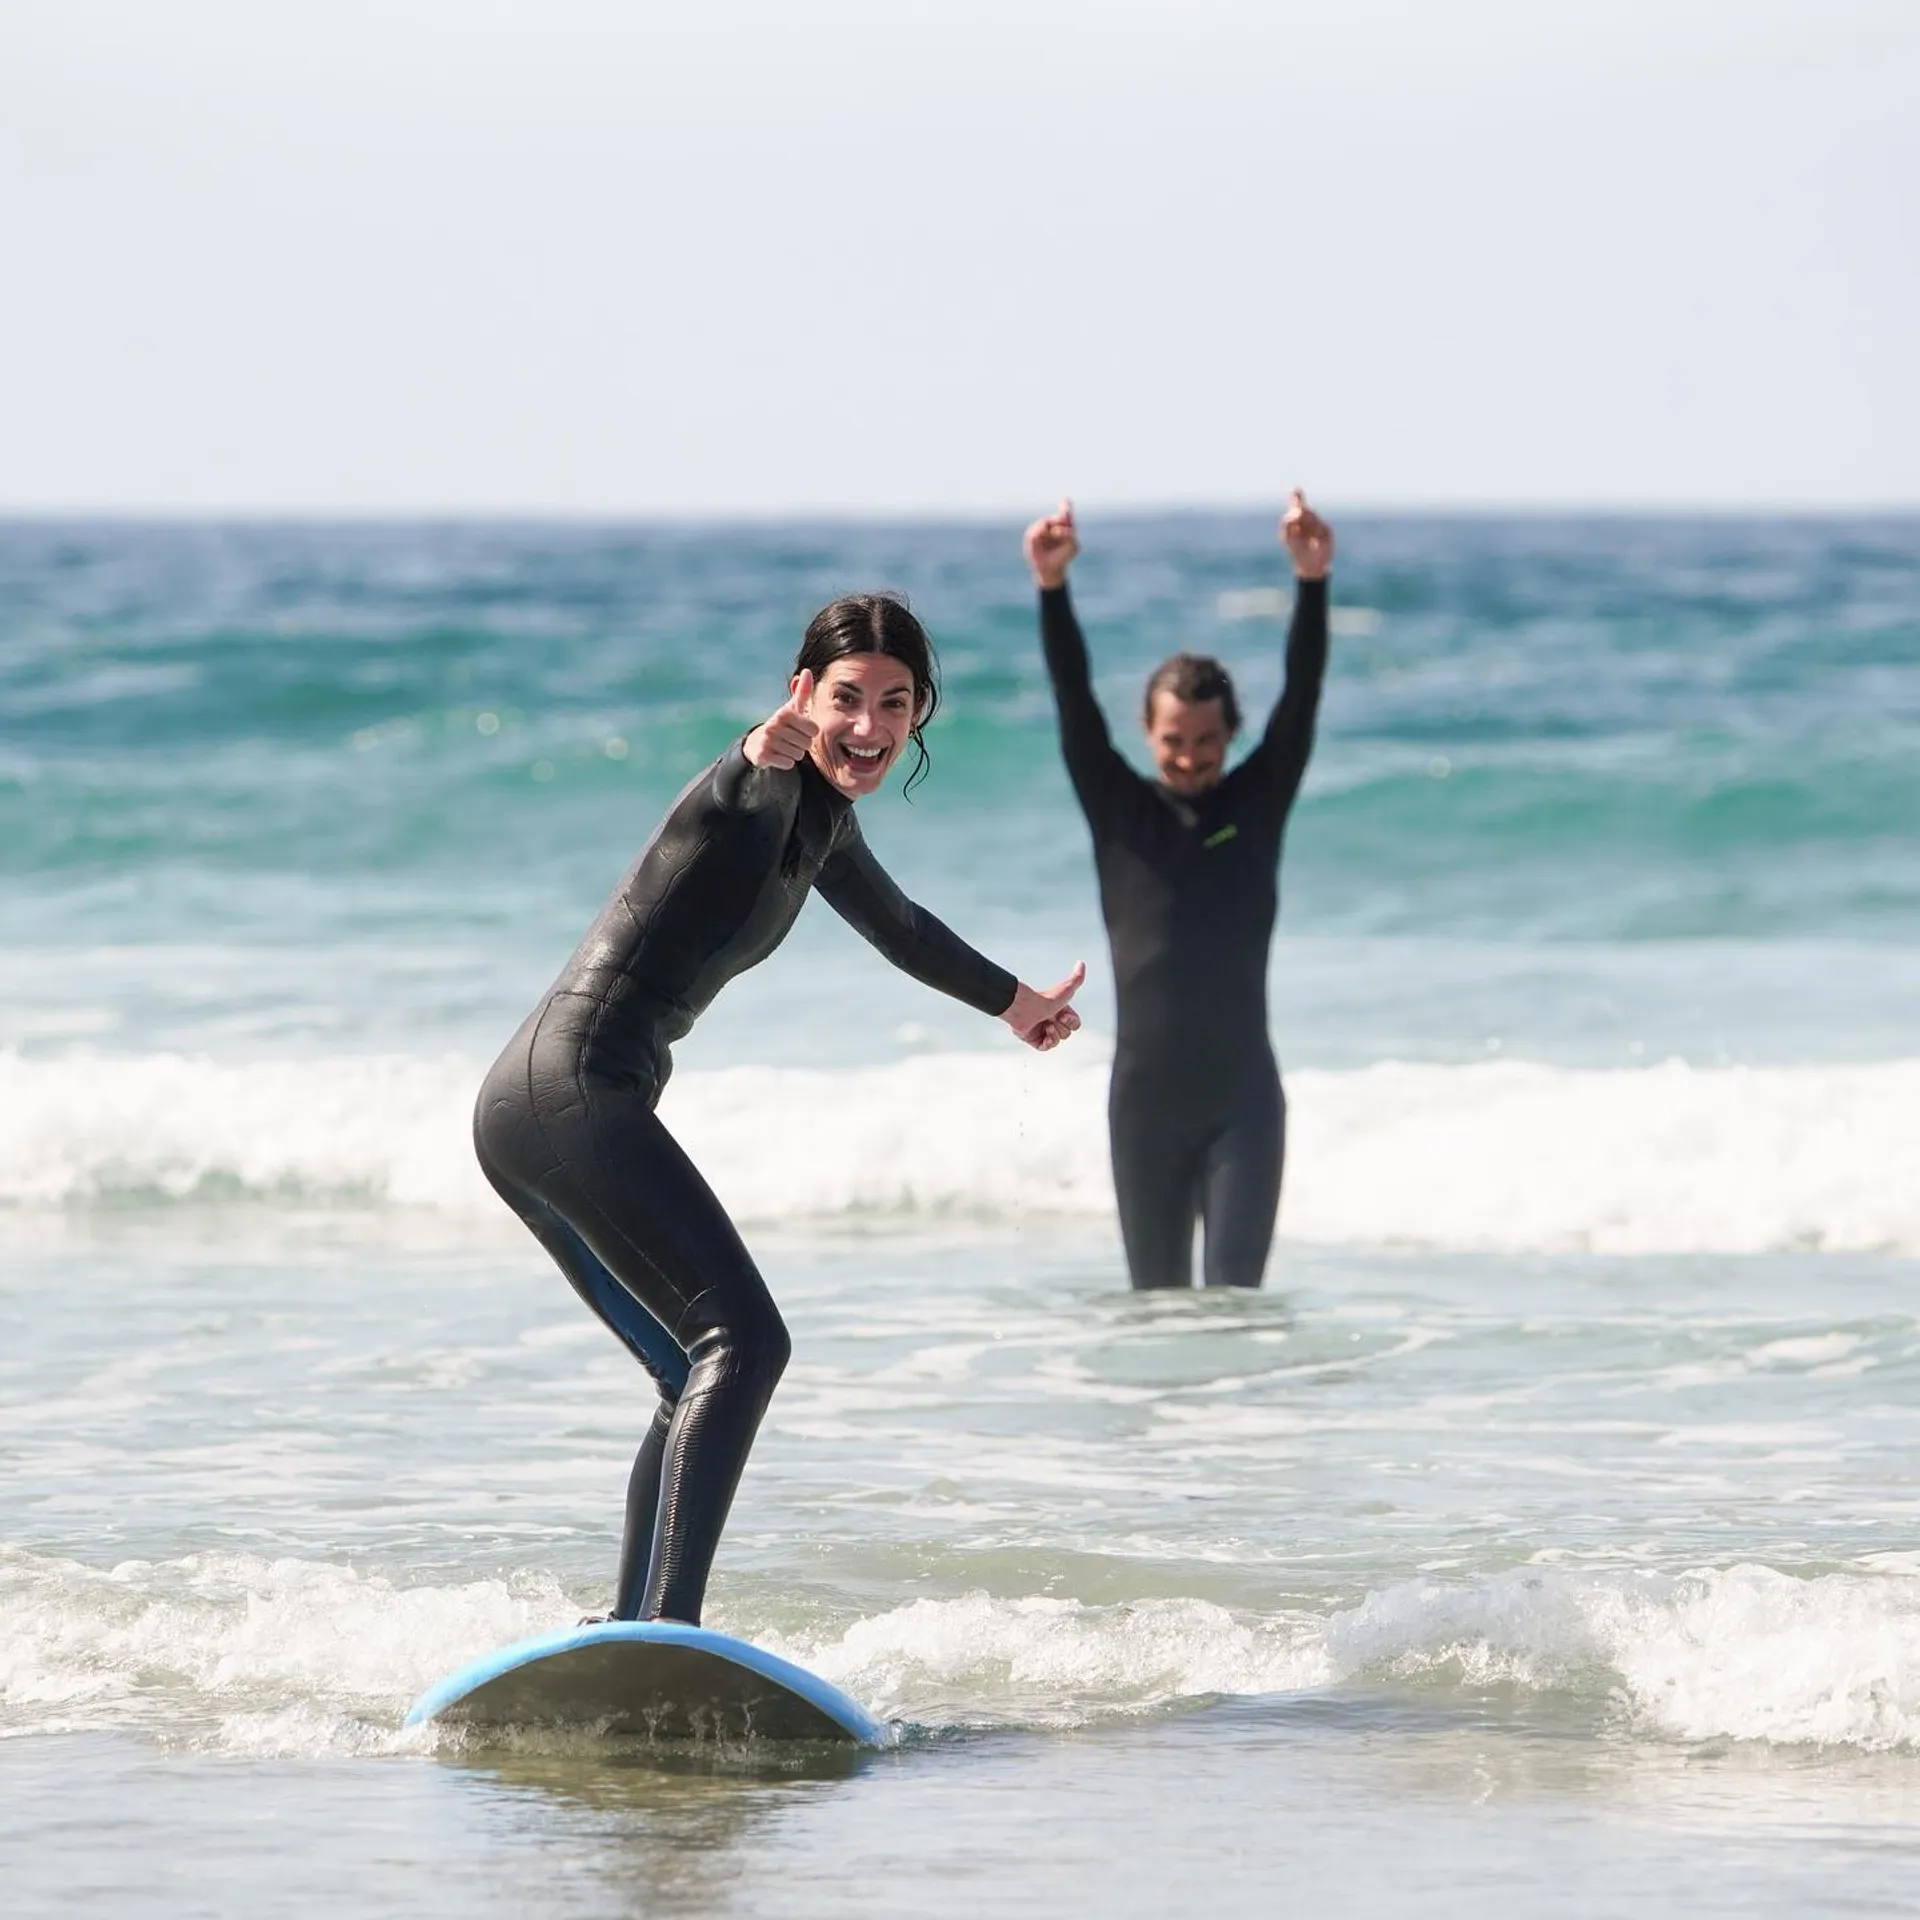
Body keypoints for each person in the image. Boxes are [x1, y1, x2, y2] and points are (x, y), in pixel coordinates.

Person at [474, 593, 1084, 1625]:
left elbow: (901, 927)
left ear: (919, 714)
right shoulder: (760, 785)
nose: (869, 726)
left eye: (896, 703)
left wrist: (1017, 1004)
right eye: (845, 698)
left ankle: (630, 1632)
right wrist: (761, 747)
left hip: (533, 1109)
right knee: (745, 1343)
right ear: (803, 693)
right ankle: (670, 1632)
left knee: (691, 1370)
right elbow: (744, 779)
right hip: (568, 1093)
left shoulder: (824, 821)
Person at [1023, 491, 1334, 1290]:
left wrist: (1311, 581)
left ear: (1230, 734)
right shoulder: (1118, 808)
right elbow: (1072, 702)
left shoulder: (1256, 803)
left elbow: (1301, 699)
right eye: (1173, 741)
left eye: (1206, 740)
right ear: (1148, 733)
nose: (1191, 757)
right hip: (1145, 1108)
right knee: (1156, 1310)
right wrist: (1052, 587)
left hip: (1244, 1107)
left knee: (1235, 1306)